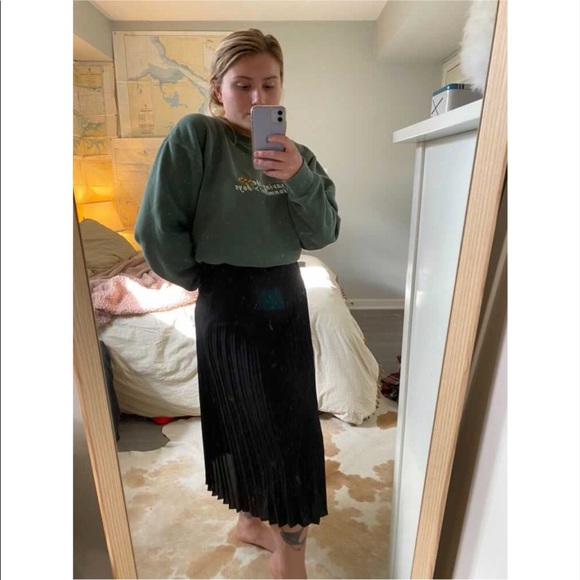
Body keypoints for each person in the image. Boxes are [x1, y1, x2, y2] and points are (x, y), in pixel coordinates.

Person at [134, 28, 340, 579]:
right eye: (242, 85)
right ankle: (250, 521)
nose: (257, 97)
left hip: (283, 292)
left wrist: (298, 178)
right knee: (238, 415)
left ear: (281, 88)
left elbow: (322, 233)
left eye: (269, 85)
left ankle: (289, 550)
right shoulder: (197, 136)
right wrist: (201, 278)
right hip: (224, 296)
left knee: (291, 427)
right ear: (217, 89)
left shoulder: (300, 156)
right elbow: (157, 227)